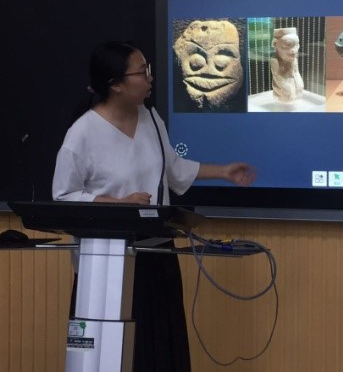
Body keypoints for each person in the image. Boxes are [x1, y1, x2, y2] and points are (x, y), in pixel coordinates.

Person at [52, 41, 256, 372]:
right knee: (115, 355)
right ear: (116, 85)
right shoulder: (82, 134)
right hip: (106, 262)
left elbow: (172, 169)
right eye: (141, 72)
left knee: (159, 349)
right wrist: (118, 205)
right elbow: (64, 197)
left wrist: (223, 172)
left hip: (156, 252)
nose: (150, 78)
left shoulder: (150, 118)